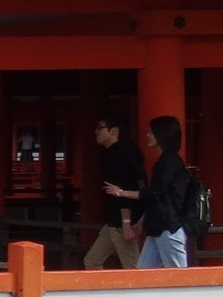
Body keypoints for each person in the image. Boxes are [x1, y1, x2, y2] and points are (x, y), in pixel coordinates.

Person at [82, 115, 146, 269]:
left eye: (100, 128)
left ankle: (142, 293)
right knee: (91, 261)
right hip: (115, 221)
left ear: (114, 131)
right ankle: (101, 292)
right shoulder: (127, 152)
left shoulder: (118, 155)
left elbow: (121, 188)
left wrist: (126, 224)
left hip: (121, 221)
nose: (96, 131)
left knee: (133, 268)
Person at [137, 114, 194, 269]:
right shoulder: (170, 160)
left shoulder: (168, 161)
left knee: (178, 277)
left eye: (151, 132)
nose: (147, 135)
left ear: (161, 134)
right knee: (143, 274)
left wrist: (122, 193)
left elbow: (156, 192)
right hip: (160, 226)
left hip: (168, 225)